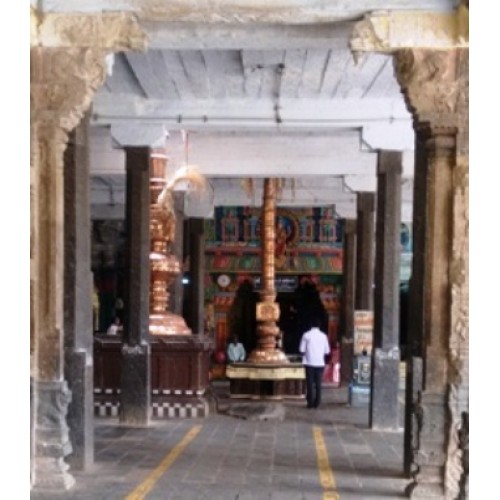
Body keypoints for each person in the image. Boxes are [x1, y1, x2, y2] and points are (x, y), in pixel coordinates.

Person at [299, 317, 330, 409]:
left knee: (309, 383)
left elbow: (301, 350)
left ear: (310, 325)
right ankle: (317, 402)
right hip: (320, 363)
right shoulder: (323, 336)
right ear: (319, 325)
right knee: (318, 383)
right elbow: (327, 351)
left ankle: (310, 403)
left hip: (309, 363)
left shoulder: (306, 335)